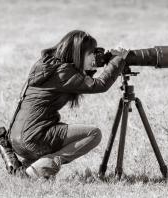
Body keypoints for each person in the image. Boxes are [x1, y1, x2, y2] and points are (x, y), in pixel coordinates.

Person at [8, 30, 127, 179]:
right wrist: (118, 61)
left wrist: (101, 63)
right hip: (34, 138)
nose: (93, 57)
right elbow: (100, 85)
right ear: (78, 53)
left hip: (16, 139)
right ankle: (43, 168)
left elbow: (77, 82)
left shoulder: (48, 66)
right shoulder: (63, 72)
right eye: (90, 54)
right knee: (94, 134)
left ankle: (28, 167)